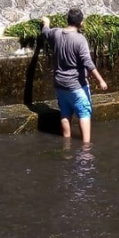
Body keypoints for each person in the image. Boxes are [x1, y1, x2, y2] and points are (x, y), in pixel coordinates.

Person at [42, 9, 109, 144]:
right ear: (81, 23)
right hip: (76, 86)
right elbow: (88, 63)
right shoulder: (80, 40)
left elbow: (45, 32)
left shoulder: (56, 33)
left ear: (68, 20)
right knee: (84, 113)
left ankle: (66, 143)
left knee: (65, 113)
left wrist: (46, 22)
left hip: (59, 83)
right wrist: (101, 80)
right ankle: (86, 147)